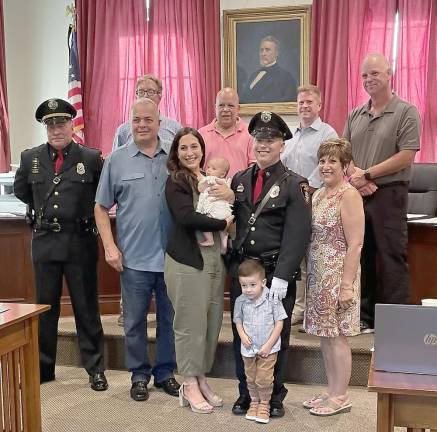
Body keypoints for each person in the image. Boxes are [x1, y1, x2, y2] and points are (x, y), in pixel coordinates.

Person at [13, 98, 108, 391]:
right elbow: (22, 191)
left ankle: (95, 369)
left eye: (61, 123)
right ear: (46, 128)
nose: (56, 129)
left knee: (86, 307)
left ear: (71, 125)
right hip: (45, 242)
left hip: (79, 241)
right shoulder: (31, 158)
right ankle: (44, 368)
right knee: (45, 308)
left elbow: (102, 195)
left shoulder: (90, 158)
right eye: (51, 124)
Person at [94, 98, 179, 402]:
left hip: (172, 258)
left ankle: (166, 373)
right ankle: (139, 375)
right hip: (133, 259)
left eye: (148, 119)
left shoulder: (175, 157)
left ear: (159, 122)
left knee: (171, 321)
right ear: (130, 123)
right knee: (134, 322)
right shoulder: (117, 159)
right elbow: (101, 207)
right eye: (137, 120)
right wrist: (109, 247)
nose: (142, 125)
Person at [229, 110, 312, 417]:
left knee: (277, 337)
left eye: (271, 139)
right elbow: (234, 223)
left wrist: (283, 275)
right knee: (243, 335)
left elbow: (298, 233)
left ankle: (274, 396)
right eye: (259, 138)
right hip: (243, 275)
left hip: (274, 276)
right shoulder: (239, 179)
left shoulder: (295, 184)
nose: (263, 144)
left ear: (282, 144)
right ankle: (245, 393)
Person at [343, 53, 421, 333]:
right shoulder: (355, 114)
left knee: (391, 256)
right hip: (357, 193)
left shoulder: (406, 111)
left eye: (374, 73)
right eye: (364, 75)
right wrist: (358, 177)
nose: (369, 80)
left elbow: (407, 155)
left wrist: (369, 174)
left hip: (390, 194)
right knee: (361, 255)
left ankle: (395, 323)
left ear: (389, 74)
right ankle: (364, 317)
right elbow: (344, 153)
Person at [164, 127, 234, 414]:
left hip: (214, 260)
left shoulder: (210, 178)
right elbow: (185, 216)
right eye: (184, 148)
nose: (190, 153)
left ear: (203, 150)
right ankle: (188, 382)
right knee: (190, 324)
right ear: (176, 153)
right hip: (187, 262)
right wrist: (222, 225)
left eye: (195, 147)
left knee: (211, 322)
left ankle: (200, 376)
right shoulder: (176, 182)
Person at [303, 138, 364, 416]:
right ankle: (331, 390)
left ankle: (341, 396)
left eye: (333, 161)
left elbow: (356, 244)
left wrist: (347, 286)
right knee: (326, 336)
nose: (326, 166)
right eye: (323, 160)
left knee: (338, 336)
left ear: (346, 166)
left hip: (340, 277)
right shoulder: (318, 194)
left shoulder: (349, 195)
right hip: (318, 276)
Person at [281, 84, 338, 326]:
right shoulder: (291, 137)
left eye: (309, 102)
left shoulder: (327, 134)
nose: (304, 106)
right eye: (301, 102)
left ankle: (313, 310)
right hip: (289, 205)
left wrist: (306, 192)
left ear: (319, 105)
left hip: (315, 202)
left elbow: (327, 167)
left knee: (313, 258)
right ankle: (298, 308)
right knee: (296, 257)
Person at [234, 259, 287, 424]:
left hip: (268, 348)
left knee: (263, 378)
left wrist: (269, 344)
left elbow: (280, 322)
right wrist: (242, 335)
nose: (248, 290)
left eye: (252, 285)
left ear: (263, 282)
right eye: (244, 285)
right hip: (248, 349)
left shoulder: (272, 299)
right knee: (250, 378)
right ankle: (254, 402)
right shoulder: (240, 301)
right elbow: (238, 321)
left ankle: (264, 404)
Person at [112, 73, 182, 150]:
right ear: (136, 95)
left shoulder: (175, 128)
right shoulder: (123, 130)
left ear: (160, 95)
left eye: (150, 92)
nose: (145, 96)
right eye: (141, 92)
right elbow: (116, 158)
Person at [198, 87, 255, 178]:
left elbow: (254, 166)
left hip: (240, 190)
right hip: (208, 189)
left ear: (238, 108)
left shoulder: (250, 132)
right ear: (215, 107)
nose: (225, 109)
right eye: (221, 105)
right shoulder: (201, 134)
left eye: (230, 106)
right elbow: (196, 167)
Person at [240, 36, 297, 104]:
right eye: (261, 50)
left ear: (276, 53)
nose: (263, 54)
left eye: (267, 50)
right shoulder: (253, 75)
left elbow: (288, 104)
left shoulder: (286, 77)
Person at [196, 156, 232, 253]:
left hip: (213, 210)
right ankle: (224, 244)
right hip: (224, 212)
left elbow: (200, 188)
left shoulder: (211, 179)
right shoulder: (225, 182)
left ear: (222, 174)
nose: (209, 170)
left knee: (204, 222)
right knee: (223, 230)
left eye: (213, 168)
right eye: (208, 167)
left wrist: (201, 180)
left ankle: (209, 239)